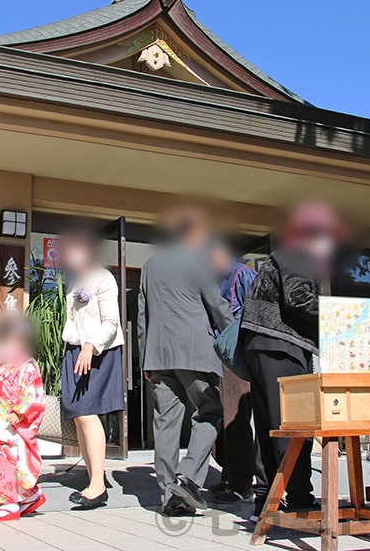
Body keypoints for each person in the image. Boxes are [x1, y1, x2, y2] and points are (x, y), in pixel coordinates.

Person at [240, 201, 344, 520]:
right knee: (293, 423)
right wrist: (340, 317)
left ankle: (267, 498)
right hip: (281, 344)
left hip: (262, 344)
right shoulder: (299, 253)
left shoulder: (286, 253)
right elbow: (299, 298)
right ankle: (298, 497)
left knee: (270, 425)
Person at [138, 205, 233, 516]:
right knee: (211, 411)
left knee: (165, 423)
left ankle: (171, 497)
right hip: (195, 352)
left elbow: (142, 317)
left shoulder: (150, 265)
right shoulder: (197, 260)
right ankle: (188, 477)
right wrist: (235, 340)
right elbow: (217, 305)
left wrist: (145, 361)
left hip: (158, 356)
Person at [60, 228, 125, 510]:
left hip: (98, 351)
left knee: (87, 414)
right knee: (78, 417)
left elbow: (111, 322)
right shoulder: (75, 282)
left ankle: (98, 486)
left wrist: (91, 346)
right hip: (75, 352)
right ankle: (93, 479)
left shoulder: (104, 278)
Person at [0, 314, 46, 521]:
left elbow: (33, 394)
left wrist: (20, 411)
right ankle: (29, 496)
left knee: (8, 461)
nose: (6, 346)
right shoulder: (1, 368)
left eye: (12, 341)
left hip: (11, 429)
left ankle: (9, 503)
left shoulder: (27, 367)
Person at [210, 242, 257, 504]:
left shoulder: (243, 274)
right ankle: (228, 474)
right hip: (216, 353)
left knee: (234, 418)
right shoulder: (212, 278)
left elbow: (255, 315)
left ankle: (242, 484)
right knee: (219, 417)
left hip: (235, 355)